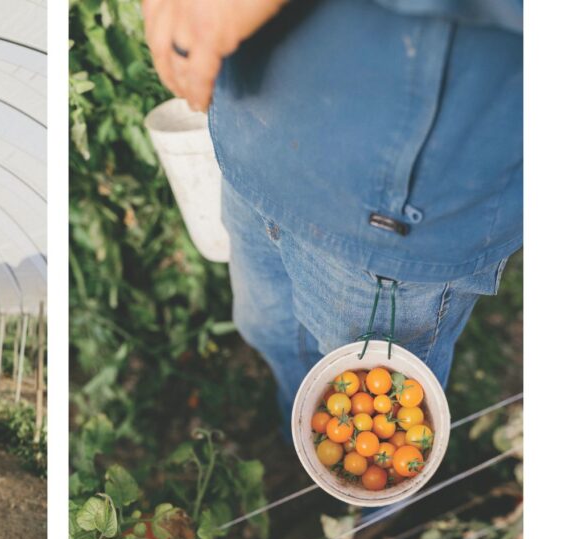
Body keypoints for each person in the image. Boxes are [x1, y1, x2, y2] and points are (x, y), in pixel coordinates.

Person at [142, 0, 522, 424]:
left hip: (392, 223)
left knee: (387, 422)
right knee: (268, 331)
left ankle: (368, 489)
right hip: (255, 146)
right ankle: (302, 434)